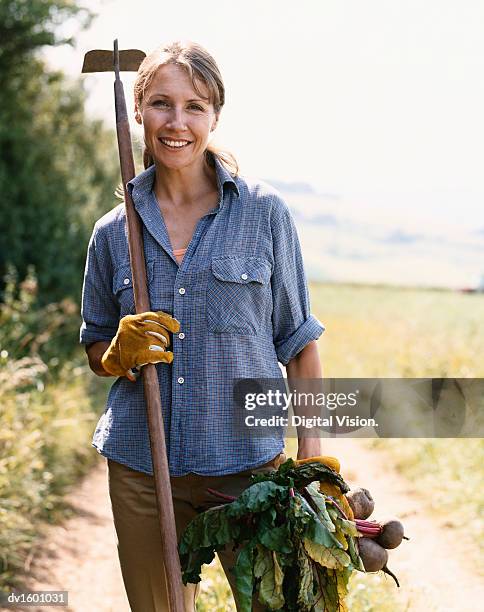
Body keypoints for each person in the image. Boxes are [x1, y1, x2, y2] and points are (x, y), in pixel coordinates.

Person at [80, 40, 326, 612]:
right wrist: (116, 353)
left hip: (249, 473)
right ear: (138, 110)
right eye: (162, 103)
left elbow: (299, 345)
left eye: (195, 106)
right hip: (144, 469)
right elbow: (95, 344)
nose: (178, 122)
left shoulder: (264, 215)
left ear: (215, 115)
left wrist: (315, 469)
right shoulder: (114, 232)